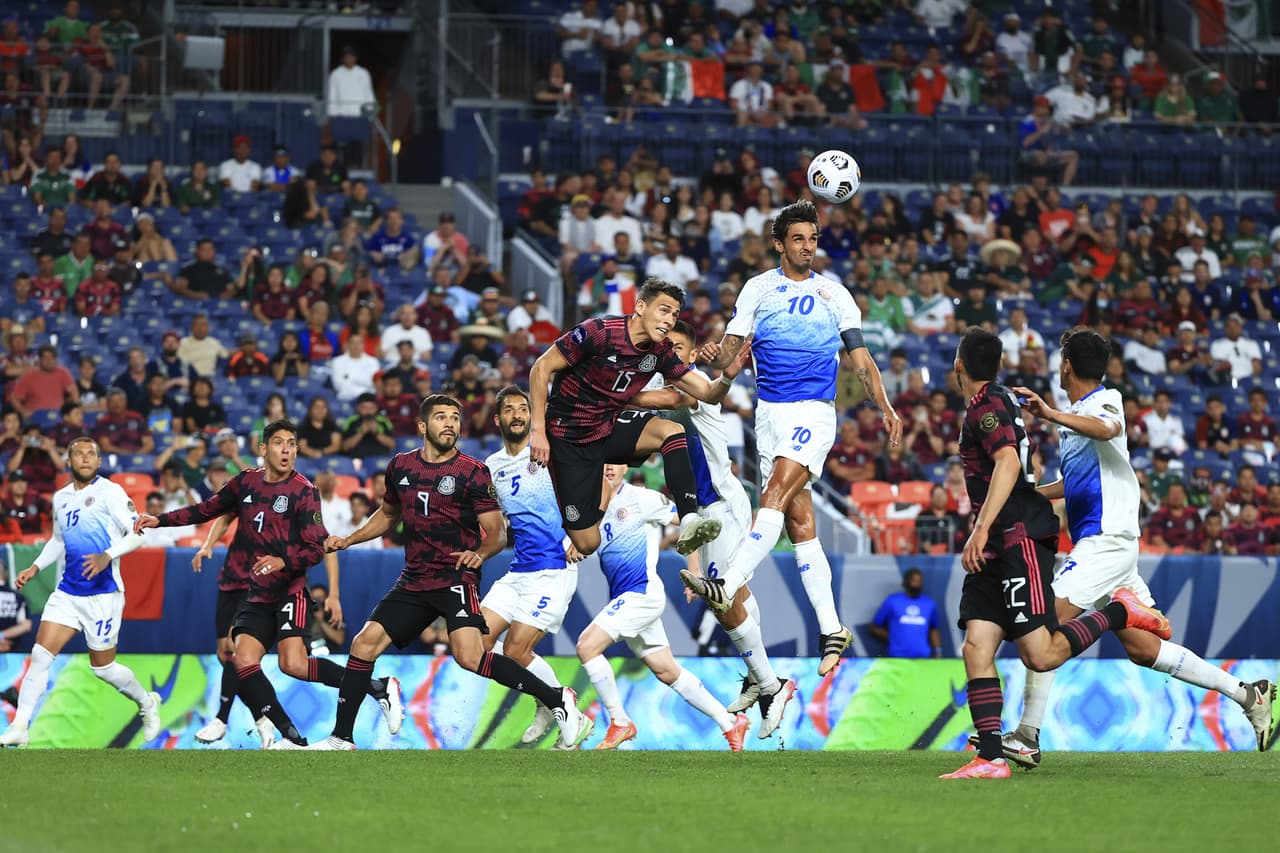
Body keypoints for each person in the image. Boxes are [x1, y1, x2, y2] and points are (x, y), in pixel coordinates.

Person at [997, 327, 1277, 764]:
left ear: (1066, 365)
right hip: (1109, 547)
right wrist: (1027, 495)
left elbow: (1107, 428)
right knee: (1144, 650)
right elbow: (1072, 483)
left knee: (1043, 627)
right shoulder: (1076, 417)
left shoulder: (1105, 401)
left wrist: (1049, 414)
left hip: (1106, 542)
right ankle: (1248, 694)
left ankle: (1027, 734)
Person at [681, 200, 903, 676]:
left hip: (813, 412)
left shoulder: (835, 295)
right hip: (769, 417)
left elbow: (861, 360)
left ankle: (727, 582)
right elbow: (731, 354)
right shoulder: (758, 289)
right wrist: (713, 355)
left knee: (774, 497)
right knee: (799, 523)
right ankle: (832, 629)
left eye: (813, 239)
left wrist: (884, 406)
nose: (807, 247)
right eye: (798, 239)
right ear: (779, 244)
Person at [939, 328, 1169, 780]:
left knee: (1040, 655)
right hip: (998, 537)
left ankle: (1120, 612)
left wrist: (980, 527)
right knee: (976, 644)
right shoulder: (997, 402)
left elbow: (1008, 462)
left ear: (958, 365)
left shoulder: (988, 404)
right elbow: (1024, 469)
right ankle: (991, 758)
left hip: (1014, 538)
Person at [306, 395, 593, 750]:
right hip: (414, 579)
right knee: (363, 644)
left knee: (470, 656)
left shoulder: (473, 471)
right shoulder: (400, 466)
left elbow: (497, 532)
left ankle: (556, 699)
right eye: (441, 417)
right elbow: (388, 514)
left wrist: (479, 553)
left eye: (455, 418)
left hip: (456, 577)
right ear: (422, 426)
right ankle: (342, 738)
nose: (450, 424)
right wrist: (351, 539)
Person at [135, 420, 403, 749]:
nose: (286, 450)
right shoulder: (245, 482)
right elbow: (206, 509)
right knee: (242, 659)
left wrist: (283, 561)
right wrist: (159, 520)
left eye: (291, 444)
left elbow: (317, 548)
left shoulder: (304, 491)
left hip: (290, 591)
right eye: (279, 443)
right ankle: (291, 736)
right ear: (263, 448)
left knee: (293, 665)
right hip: (258, 593)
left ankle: (377, 687)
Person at [632, 320, 791, 738]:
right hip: (704, 511)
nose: (671, 353)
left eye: (678, 348)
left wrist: (617, 395)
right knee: (736, 595)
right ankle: (759, 677)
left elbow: (685, 395)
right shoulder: (661, 387)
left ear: (690, 354)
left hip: (720, 504)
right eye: (666, 346)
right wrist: (693, 560)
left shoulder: (695, 384)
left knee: (723, 600)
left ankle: (771, 685)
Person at [528, 277, 750, 559]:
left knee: (671, 430)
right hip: (567, 439)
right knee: (587, 543)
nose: (669, 320)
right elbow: (541, 368)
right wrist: (538, 430)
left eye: (675, 315)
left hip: (607, 429)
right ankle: (599, 488)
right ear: (641, 307)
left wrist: (727, 378)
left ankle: (688, 519)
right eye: (664, 310)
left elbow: (707, 393)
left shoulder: (661, 351)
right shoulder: (599, 332)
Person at [0, 437, 161, 747]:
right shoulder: (60, 497)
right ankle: (20, 726)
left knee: (103, 668)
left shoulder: (111, 492)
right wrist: (35, 567)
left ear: (99, 462)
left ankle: (146, 702)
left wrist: (107, 556)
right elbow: (58, 540)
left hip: (104, 593)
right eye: (79, 454)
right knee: (40, 655)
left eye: (91, 454)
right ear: (68, 462)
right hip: (68, 591)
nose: (85, 458)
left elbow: (138, 535)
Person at [578, 462, 751, 750]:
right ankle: (730, 722)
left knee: (587, 646)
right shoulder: (592, 505)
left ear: (626, 466)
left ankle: (620, 721)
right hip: (624, 596)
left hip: (641, 593)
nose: (608, 467)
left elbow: (690, 523)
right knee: (667, 671)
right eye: (604, 461)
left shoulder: (640, 498)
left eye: (615, 461)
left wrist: (694, 569)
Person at [476, 386, 583, 744]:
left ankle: (559, 705)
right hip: (519, 570)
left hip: (554, 568)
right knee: (475, 645)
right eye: (509, 410)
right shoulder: (491, 467)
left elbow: (592, 487)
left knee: (516, 650)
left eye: (523, 408)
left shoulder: (549, 450)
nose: (518, 415)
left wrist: (580, 536)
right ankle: (548, 700)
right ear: (498, 419)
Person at [870, 568, 941, 658]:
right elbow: (874, 627)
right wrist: (893, 638)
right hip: (897, 656)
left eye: (919, 581)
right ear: (905, 582)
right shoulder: (892, 601)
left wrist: (938, 651)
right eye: (913, 581)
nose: (916, 584)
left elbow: (934, 629)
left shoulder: (929, 604)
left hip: (922, 657)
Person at [0, 563, 32, 653]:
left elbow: (26, 626)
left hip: (8, 649)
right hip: (10, 652)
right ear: (6, 574)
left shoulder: (18, 596)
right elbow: (26, 625)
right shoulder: (18, 596)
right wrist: (1, 635)